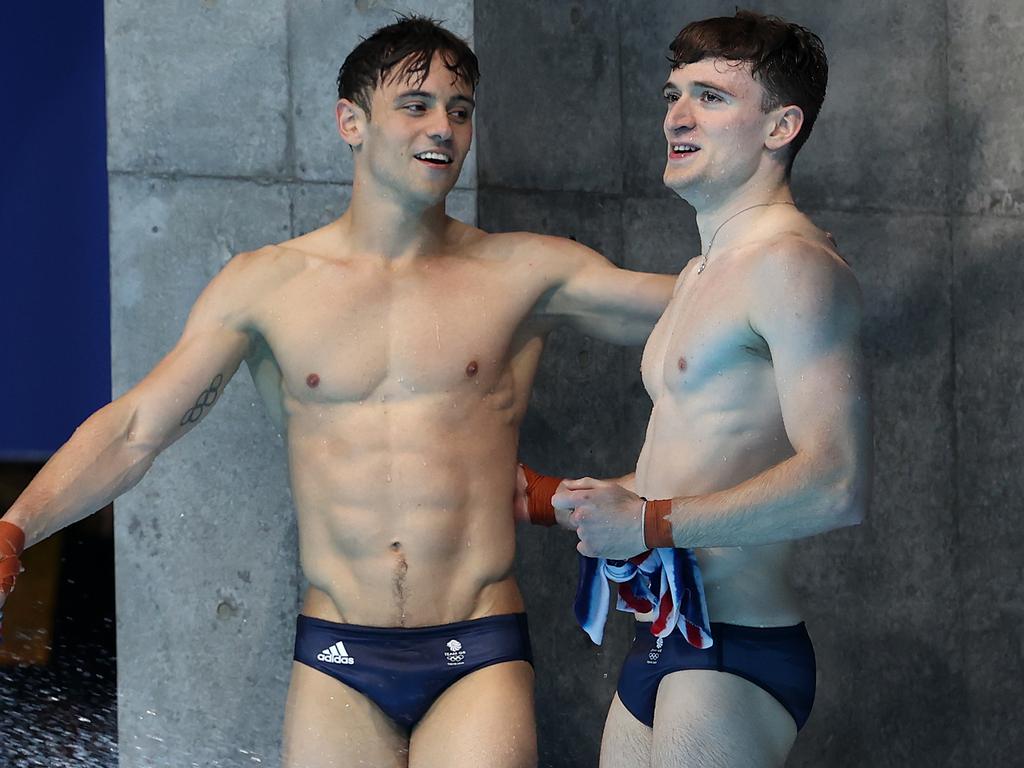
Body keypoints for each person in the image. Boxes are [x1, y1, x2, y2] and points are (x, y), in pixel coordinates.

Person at [0, 16, 675, 768]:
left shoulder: (527, 273)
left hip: (476, 644)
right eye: (415, 104)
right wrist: (17, 526)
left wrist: (778, 242)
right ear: (350, 122)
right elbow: (136, 428)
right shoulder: (269, 285)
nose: (443, 127)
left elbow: (704, 310)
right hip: (336, 654)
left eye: (460, 109)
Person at [521, 11, 872, 767]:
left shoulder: (793, 265)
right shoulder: (699, 277)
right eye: (673, 94)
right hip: (664, 644)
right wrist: (548, 497)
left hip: (737, 651)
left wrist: (647, 524)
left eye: (711, 97)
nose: (676, 116)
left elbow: (837, 484)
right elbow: (693, 465)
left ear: (781, 126)